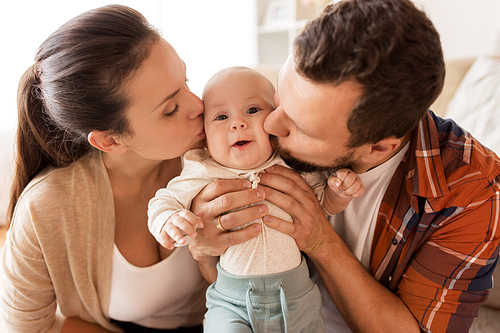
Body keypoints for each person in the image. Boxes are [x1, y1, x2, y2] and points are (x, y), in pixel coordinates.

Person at [187, 1, 500, 333]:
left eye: (299, 126)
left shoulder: (473, 193)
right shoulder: (243, 141)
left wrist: (321, 240)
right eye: (279, 97)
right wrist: (204, 251)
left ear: (377, 147)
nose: (269, 125)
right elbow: (227, 284)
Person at [0, 5, 244, 333]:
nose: (198, 105)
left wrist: (205, 257)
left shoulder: (227, 154)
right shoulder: (48, 208)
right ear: (110, 141)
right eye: (171, 109)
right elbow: (27, 328)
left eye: (186, 80)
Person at [148, 66, 364, 332]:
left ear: (275, 120)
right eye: (221, 116)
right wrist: (168, 219)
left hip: (297, 298)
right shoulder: (202, 170)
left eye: (252, 110)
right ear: (204, 137)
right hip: (232, 302)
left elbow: (322, 207)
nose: (237, 123)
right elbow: (163, 201)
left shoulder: (292, 164)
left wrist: (339, 192)